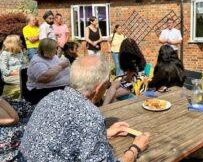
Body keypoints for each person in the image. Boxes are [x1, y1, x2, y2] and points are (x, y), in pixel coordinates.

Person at [19, 55, 150, 162]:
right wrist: (135, 148)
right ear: (98, 88)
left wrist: (104, 133)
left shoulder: (51, 97)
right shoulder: (90, 115)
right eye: (107, 85)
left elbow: (65, 138)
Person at [25, 38, 70, 104]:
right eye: (55, 48)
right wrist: (61, 66)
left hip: (56, 88)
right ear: (48, 49)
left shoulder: (53, 56)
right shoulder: (37, 61)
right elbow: (44, 78)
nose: (56, 50)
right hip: (40, 91)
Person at [103, 38, 146, 105]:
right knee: (113, 85)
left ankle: (105, 107)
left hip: (135, 86)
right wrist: (122, 80)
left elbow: (128, 79)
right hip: (141, 82)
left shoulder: (131, 60)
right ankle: (105, 106)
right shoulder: (139, 57)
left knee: (112, 93)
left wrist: (122, 80)